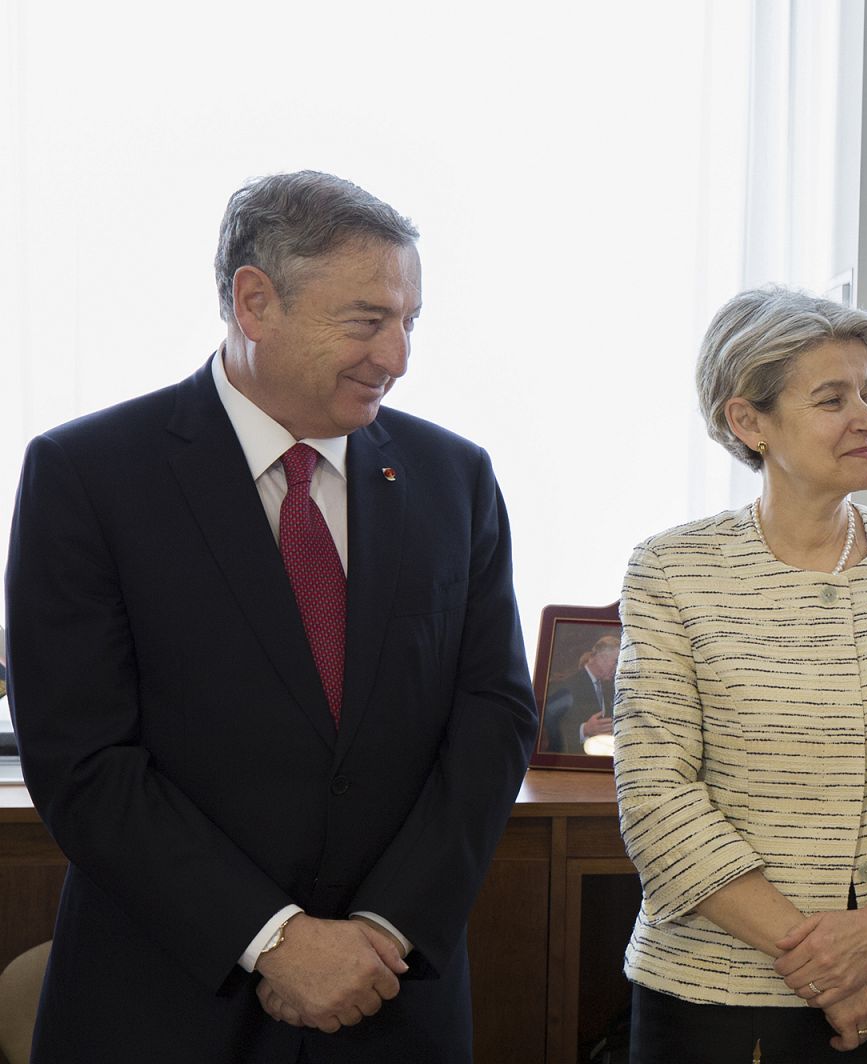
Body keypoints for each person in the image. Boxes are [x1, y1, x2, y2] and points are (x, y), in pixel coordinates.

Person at [4, 171, 538, 1062]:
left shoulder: (456, 478)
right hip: (166, 1001)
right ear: (255, 302)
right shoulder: (89, 476)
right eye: (367, 320)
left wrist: (384, 928)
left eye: (410, 322)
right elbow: (83, 758)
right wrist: (275, 937)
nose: (397, 357)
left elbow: (495, 717)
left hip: (391, 997)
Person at [612, 287, 867, 1063]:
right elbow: (658, 795)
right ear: (748, 421)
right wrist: (829, 968)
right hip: (719, 993)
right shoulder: (674, 568)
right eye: (833, 399)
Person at [540, 633, 620, 753]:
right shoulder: (567, 684)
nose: (617, 667)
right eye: (616, 661)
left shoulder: (607, 689)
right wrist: (584, 730)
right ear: (602, 657)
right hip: (572, 763)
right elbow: (547, 726)